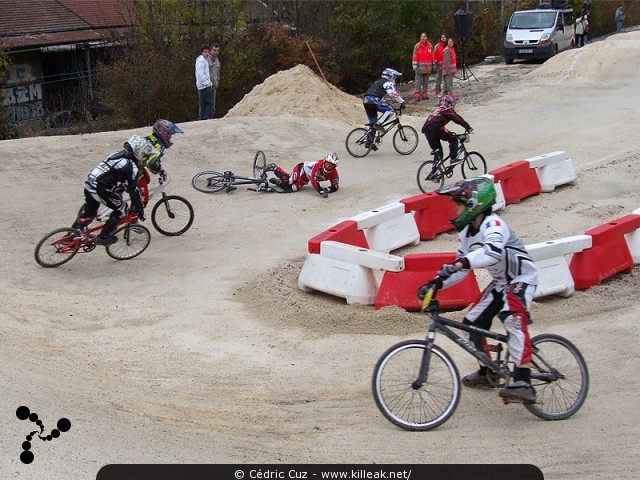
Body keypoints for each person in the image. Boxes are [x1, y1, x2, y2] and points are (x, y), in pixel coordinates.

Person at [418, 177, 539, 404]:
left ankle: (524, 380)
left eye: (459, 204)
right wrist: (435, 284)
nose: (456, 209)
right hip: (501, 282)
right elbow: (460, 268)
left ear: (475, 204)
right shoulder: (467, 233)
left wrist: (461, 263)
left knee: (512, 318)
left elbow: (490, 252)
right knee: (472, 323)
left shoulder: (494, 225)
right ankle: (488, 371)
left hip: (522, 278)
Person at [70, 140, 147, 246]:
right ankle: (103, 237)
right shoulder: (131, 166)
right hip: (101, 189)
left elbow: (113, 174)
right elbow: (133, 191)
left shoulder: (115, 154)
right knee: (122, 210)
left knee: (90, 212)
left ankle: (71, 236)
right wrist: (140, 209)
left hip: (89, 184)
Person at [125, 119, 184, 202]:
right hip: (134, 168)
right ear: (163, 133)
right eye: (170, 134)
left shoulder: (152, 137)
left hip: (130, 163)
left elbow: (152, 157)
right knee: (143, 199)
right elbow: (152, 164)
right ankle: (134, 212)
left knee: (147, 179)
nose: (170, 137)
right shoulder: (159, 146)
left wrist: (160, 169)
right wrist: (159, 170)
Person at [421, 94, 471, 163]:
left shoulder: (438, 110)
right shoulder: (447, 110)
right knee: (453, 138)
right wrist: (468, 127)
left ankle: (434, 171)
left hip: (427, 130)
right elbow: (458, 119)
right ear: (450, 103)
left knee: (439, 153)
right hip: (436, 129)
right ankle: (453, 158)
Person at [265, 153, 340, 197]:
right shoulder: (318, 165)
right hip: (302, 169)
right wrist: (320, 190)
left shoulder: (334, 173)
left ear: (334, 166)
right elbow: (314, 180)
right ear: (325, 161)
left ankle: (278, 182)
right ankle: (274, 167)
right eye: (327, 163)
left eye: (331, 165)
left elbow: (335, 186)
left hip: (306, 177)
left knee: (291, 189)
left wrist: (327, 189)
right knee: (289, 181)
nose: (328, 166)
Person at [362, 68, 405, 134]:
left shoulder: (378, 81)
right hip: (374, 99)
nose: (395, 79)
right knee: (390, 110)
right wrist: (401, 101)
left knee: (373, 124)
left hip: (366, 100)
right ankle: (378, 124)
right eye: (395, 76)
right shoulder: (387, 82)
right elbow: (392, 93)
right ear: (391, 76)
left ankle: (369, 142)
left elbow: (377, 94)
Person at [412, 33, 434, 101]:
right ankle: (417, 94)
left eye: (424, 36)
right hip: (419, 68)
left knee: (426, 81)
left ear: (426, 37)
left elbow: (432, 56)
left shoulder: (430, 46)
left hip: (427, 68)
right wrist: (414, 65)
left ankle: (424, 93)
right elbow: (415, 56)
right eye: (422, 36)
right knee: (418, 81)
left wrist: (433, 65)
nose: (423, 37)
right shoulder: (417, 46)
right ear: (420, 38)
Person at [195, 46, 214, 120]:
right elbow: (200, 74)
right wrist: (207, 83)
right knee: (209, 104)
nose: (207, 53)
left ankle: (202, 119)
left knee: (203, 105)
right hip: (204, 86)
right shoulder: (201, 61)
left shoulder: (204, 60)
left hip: (202, 85)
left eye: (208, 52)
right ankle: (206, 119)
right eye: (205, 52)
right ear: (202, 52)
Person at [207, 43, 221, 118]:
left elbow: (218, 74)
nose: (216, 52)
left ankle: (210, 119)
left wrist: (217, 82)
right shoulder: (206, 60)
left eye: (217, 51)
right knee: (206, 106)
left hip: (214, 87)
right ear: (210, 50)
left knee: (212, 107)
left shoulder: (218, 62)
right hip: (207, 86)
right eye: (214, 50)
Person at [433, 33, 448, 98]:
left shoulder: (448, 45)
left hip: (446, 65)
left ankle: (445, 91)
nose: (443, 38)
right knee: (438, 79)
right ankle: (437, 91)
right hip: (439, 65)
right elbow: (434, 55)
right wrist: (435, 63)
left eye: (444, 37)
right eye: (442, 37)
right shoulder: (437, 46)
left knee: (446, 79)